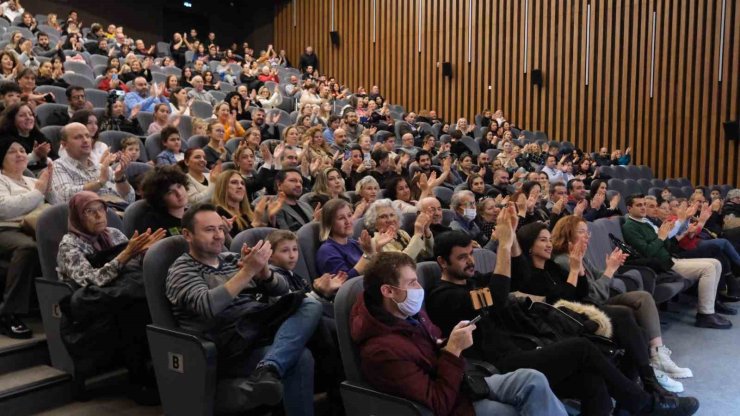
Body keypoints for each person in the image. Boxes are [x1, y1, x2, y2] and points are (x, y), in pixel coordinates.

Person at [425, 220, 698, 416]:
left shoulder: (473, 282)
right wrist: (504, 249)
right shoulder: (443, 296)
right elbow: (497, 294)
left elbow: (519, 276)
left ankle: (639, 401)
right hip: (498, 364)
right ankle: (647, 404)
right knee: (581, 348)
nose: (470, 262)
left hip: (523, 346)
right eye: (462, 258)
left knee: (591, 376)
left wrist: (514, 238)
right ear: (442, 263)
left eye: (471, 254)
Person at [351, 250, 569, 416]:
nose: (419, 288)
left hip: (465, 382)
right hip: (455, 403)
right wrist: (453, 350)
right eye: (411, 282)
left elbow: (432, 352)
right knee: (514, 409)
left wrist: (448, 344)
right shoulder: (380, 350)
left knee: (532, 378)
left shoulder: (409, 316)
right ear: (387, 291)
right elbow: (438, 402)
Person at [166, 204, 322, 414]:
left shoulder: (230, 259)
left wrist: (265, 273)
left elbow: (282, 289)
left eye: (220, 229)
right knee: (302, 357)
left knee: (309, 303)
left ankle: (269, 367)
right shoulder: (181, 270)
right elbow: (208, 306)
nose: (219, 235)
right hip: (227, 342)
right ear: (187, 234)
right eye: (209, 230)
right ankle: (271, 367)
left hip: (257, 325)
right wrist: (248, 271)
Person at [550, 215, 693, 392]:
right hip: (587, 306)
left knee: (643, 298)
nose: (587, 236)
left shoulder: (578, 255)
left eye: (588, 233)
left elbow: (597, 277)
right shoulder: (564, 260)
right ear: (567, 234)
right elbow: (593, 293)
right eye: (581, 232)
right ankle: (647, 371)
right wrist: (610, 270)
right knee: (627, 314)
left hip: (599, 298)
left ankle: (657, 353)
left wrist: (611, 265)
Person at [56, 191, 165, 404]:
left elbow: (132, 270)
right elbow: (92, 281)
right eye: (90, 211)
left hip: (118, 298)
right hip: (88, 311)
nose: (99, 216)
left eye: (101, 210)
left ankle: (145, 372)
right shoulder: (69, 245)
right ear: (78, 216)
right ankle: (138, 378)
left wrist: (145, 254)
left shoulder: (114, 234)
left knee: (140, 298)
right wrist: (126, 255)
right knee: (133, 306)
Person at [622, 194, 730, 329]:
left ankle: (710, 308)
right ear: (629, 208)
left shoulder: (645, 223)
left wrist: (667, 235)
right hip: (664, 265)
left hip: (671, 259)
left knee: (716, 263)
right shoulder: (630, 227)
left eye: (644, 204)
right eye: (639, 205)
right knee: (709, 268)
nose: (643, 207)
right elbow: (647, 252)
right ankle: (705, 314)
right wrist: (661, 238)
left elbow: (668, 247)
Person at [0, 138, 52, 338]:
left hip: (35, 228)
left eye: (23, 150)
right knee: (28, 248)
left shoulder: (32, 180)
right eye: (12, 152)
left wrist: (46, 188)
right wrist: (38, 192)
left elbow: (50, 207)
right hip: (6, 229)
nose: (20, 154)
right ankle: (8, 313)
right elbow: (4, 209)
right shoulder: (2, 179)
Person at [49, 123, 135, 205]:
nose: (85, 140)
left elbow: (130, 199)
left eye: (87, 136)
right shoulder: (59, 166)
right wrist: (99, 182)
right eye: (78, 137)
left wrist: (119, 178)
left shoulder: (101, 167)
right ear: (64, 144)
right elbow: (64, 197)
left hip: (118, 209)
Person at [316, 199, 384, 277]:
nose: (348, 221)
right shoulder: (327, 251)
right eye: (341, 218)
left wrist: (378, 248)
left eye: (349, 215)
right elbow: (344, 282)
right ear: (329, 223)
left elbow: (374, 269)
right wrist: (367, 254)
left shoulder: (353, 243)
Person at [363, 199, 434, 261]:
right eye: (383, 217)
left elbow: (427, 254)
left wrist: (426, 229)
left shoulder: (402, 233)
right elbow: (403, 262)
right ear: (374, 222)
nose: (390, 220)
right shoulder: (376, 241)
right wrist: (418, 233)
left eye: (392, 215)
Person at [135, 166, 188, 237]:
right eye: (170, 192)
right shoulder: (154, 225)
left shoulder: (194, 214)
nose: (179, 193)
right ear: (159, 198)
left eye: (179, 186)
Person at [0, 102, 54, 171]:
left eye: (31, 114)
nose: (28, 118)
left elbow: (54, 158)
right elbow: (10, 164)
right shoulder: (5, 139)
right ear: (12, 119)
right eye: (22, 115)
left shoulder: (38, 136)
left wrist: (44, 158)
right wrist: (34, 156)